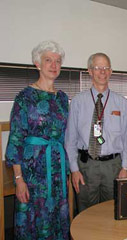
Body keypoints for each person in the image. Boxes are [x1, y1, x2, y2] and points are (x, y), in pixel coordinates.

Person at [5, 40, 70, 239]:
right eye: (48, 60)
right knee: (34, 218)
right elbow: (16, 138)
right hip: (32, 172)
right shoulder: (25, 97)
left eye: (57, 61)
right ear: (37, 64)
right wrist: (19, 180)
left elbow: (66, 135)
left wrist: (68, 169)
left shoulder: (62, 98)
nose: (54, 65)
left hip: (57, 170)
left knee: (57, 217)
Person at [65, 53, 127, 212]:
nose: (102, 71)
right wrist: (74, 169)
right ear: (90, 71)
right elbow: (70, 140)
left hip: (114, 167)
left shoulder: (120, 102)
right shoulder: (77, 102)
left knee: (113, 211)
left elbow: (126, 137)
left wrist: (125, 167)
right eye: (98, 68)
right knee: (86, 213)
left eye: (106, 68)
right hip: (86, 167)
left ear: (111, 71)